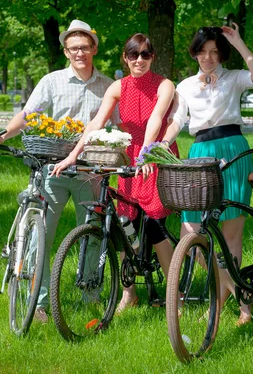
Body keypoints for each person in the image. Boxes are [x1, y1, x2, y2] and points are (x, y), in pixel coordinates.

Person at [0, 19, 119, 323]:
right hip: (53, 170)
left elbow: (120, 126)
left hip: (91, 171)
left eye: (84, 47)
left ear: (94, 48)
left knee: (92, 235)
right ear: (66, 52)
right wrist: (3, 135)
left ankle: (90, 295)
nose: (79, 53)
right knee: (40, 236)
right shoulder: (51, 81)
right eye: (73, 48)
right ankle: (39, 300)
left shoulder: (108, 85)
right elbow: (28, 115)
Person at [53, 33, 179, 313]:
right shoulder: (117, 87)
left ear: (153, 57)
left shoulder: (164, 84)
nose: (139, 60)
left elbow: (157, 119)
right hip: (127, 156)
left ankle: (174, 296)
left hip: (153, 152)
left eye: (146, 54)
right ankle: (128, 293)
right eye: (133, 55)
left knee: (156, 226)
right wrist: (73, 155)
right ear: (125, 57)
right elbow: (96, 122)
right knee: (124, 223)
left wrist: (146, 153)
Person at [162, 23, 253, 326]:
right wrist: (162, 143)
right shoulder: (185, 86)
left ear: (221, 54)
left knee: (231, 235)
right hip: (200, 154)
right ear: (195, 53)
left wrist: (239, 43)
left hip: (232, 150)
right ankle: (227, 290)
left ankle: (242, 308)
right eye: (203, 52)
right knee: (192, 230)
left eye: (214, 52)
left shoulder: (233, 79)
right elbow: (177, 120)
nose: (208, 57)